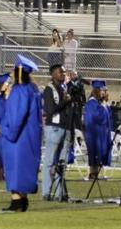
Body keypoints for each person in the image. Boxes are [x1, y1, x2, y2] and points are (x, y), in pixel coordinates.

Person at [0, 55, 41, 213]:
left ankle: (17, 202)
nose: (12, 74)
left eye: (14, 70)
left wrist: (2, 130)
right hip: (30, 135)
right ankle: (23, 200)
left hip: (19, 137)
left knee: (16, 167)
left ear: (19, 71)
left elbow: (15, 116)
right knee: (25, 167)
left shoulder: (20, 90)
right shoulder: (33, 89)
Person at [40, 63, 70, 199]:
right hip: (54, 128)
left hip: (64, 127)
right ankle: (46, 192)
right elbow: (51, 110)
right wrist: (65, 101)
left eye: (64, 73)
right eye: (60, 72)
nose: (63, 75)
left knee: (61, 163)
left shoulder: (64, 88)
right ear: (53, 74)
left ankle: (60, 193)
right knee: (50, 161)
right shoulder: (49, 89)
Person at [82, 79, 112, 180]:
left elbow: (108, 116)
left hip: (99, 132)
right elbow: (98, 116)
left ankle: (96, 173)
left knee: (100, 153)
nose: (104, 92)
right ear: (96, 90)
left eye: (105, 90)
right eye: (102, 90)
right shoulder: (92, 103)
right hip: (94, 133)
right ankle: (92, 173)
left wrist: (104, 104)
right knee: (94, 152)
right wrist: (104, 106)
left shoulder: (99, 103)